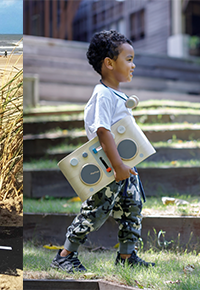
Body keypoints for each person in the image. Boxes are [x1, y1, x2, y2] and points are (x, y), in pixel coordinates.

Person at [51, 30, 154, 272]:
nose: (133, 65)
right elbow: (103, 131)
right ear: (109, 63)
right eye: (128, 59)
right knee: (95, 212)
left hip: (122, 165)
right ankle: (65, 254)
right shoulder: (103, 95)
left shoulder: (116, 93)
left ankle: (127, 257)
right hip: (108, 167)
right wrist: (118, 166)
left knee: (133, 205)